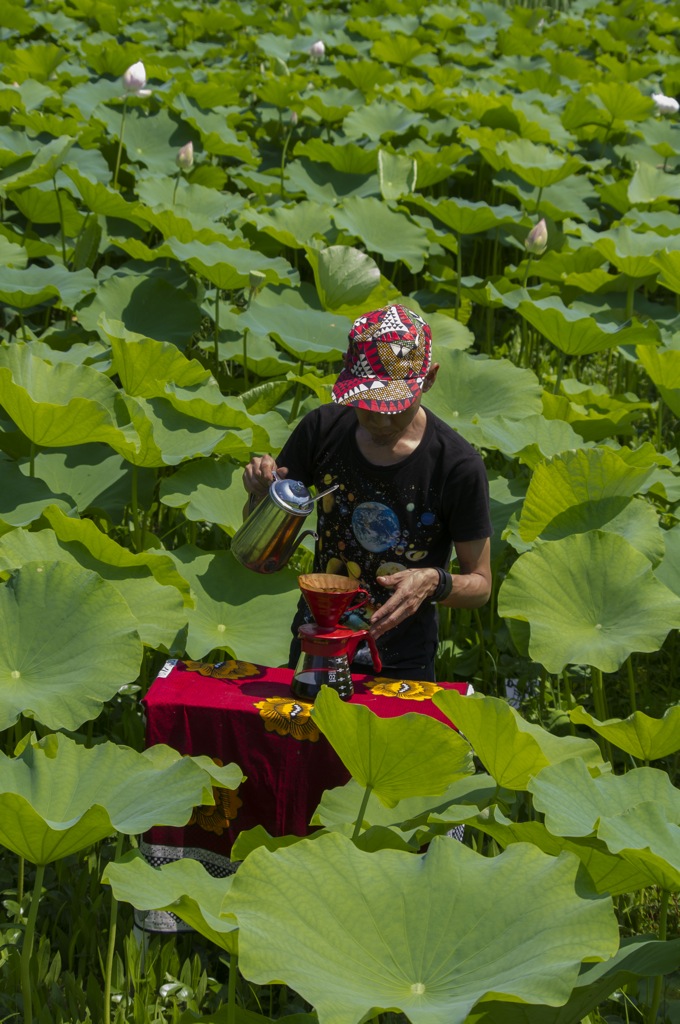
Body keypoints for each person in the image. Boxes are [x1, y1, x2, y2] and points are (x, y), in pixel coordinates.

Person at [242, 304, 493, 682]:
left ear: (429, 380)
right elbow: (259, 552)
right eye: (368, 404)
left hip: (402, 658)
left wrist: (433, 581)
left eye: (395, 404)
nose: (381, 418)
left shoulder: (456, 466)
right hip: (316, 640)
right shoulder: (321, 430)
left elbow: (481, 586)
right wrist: (260, 499)